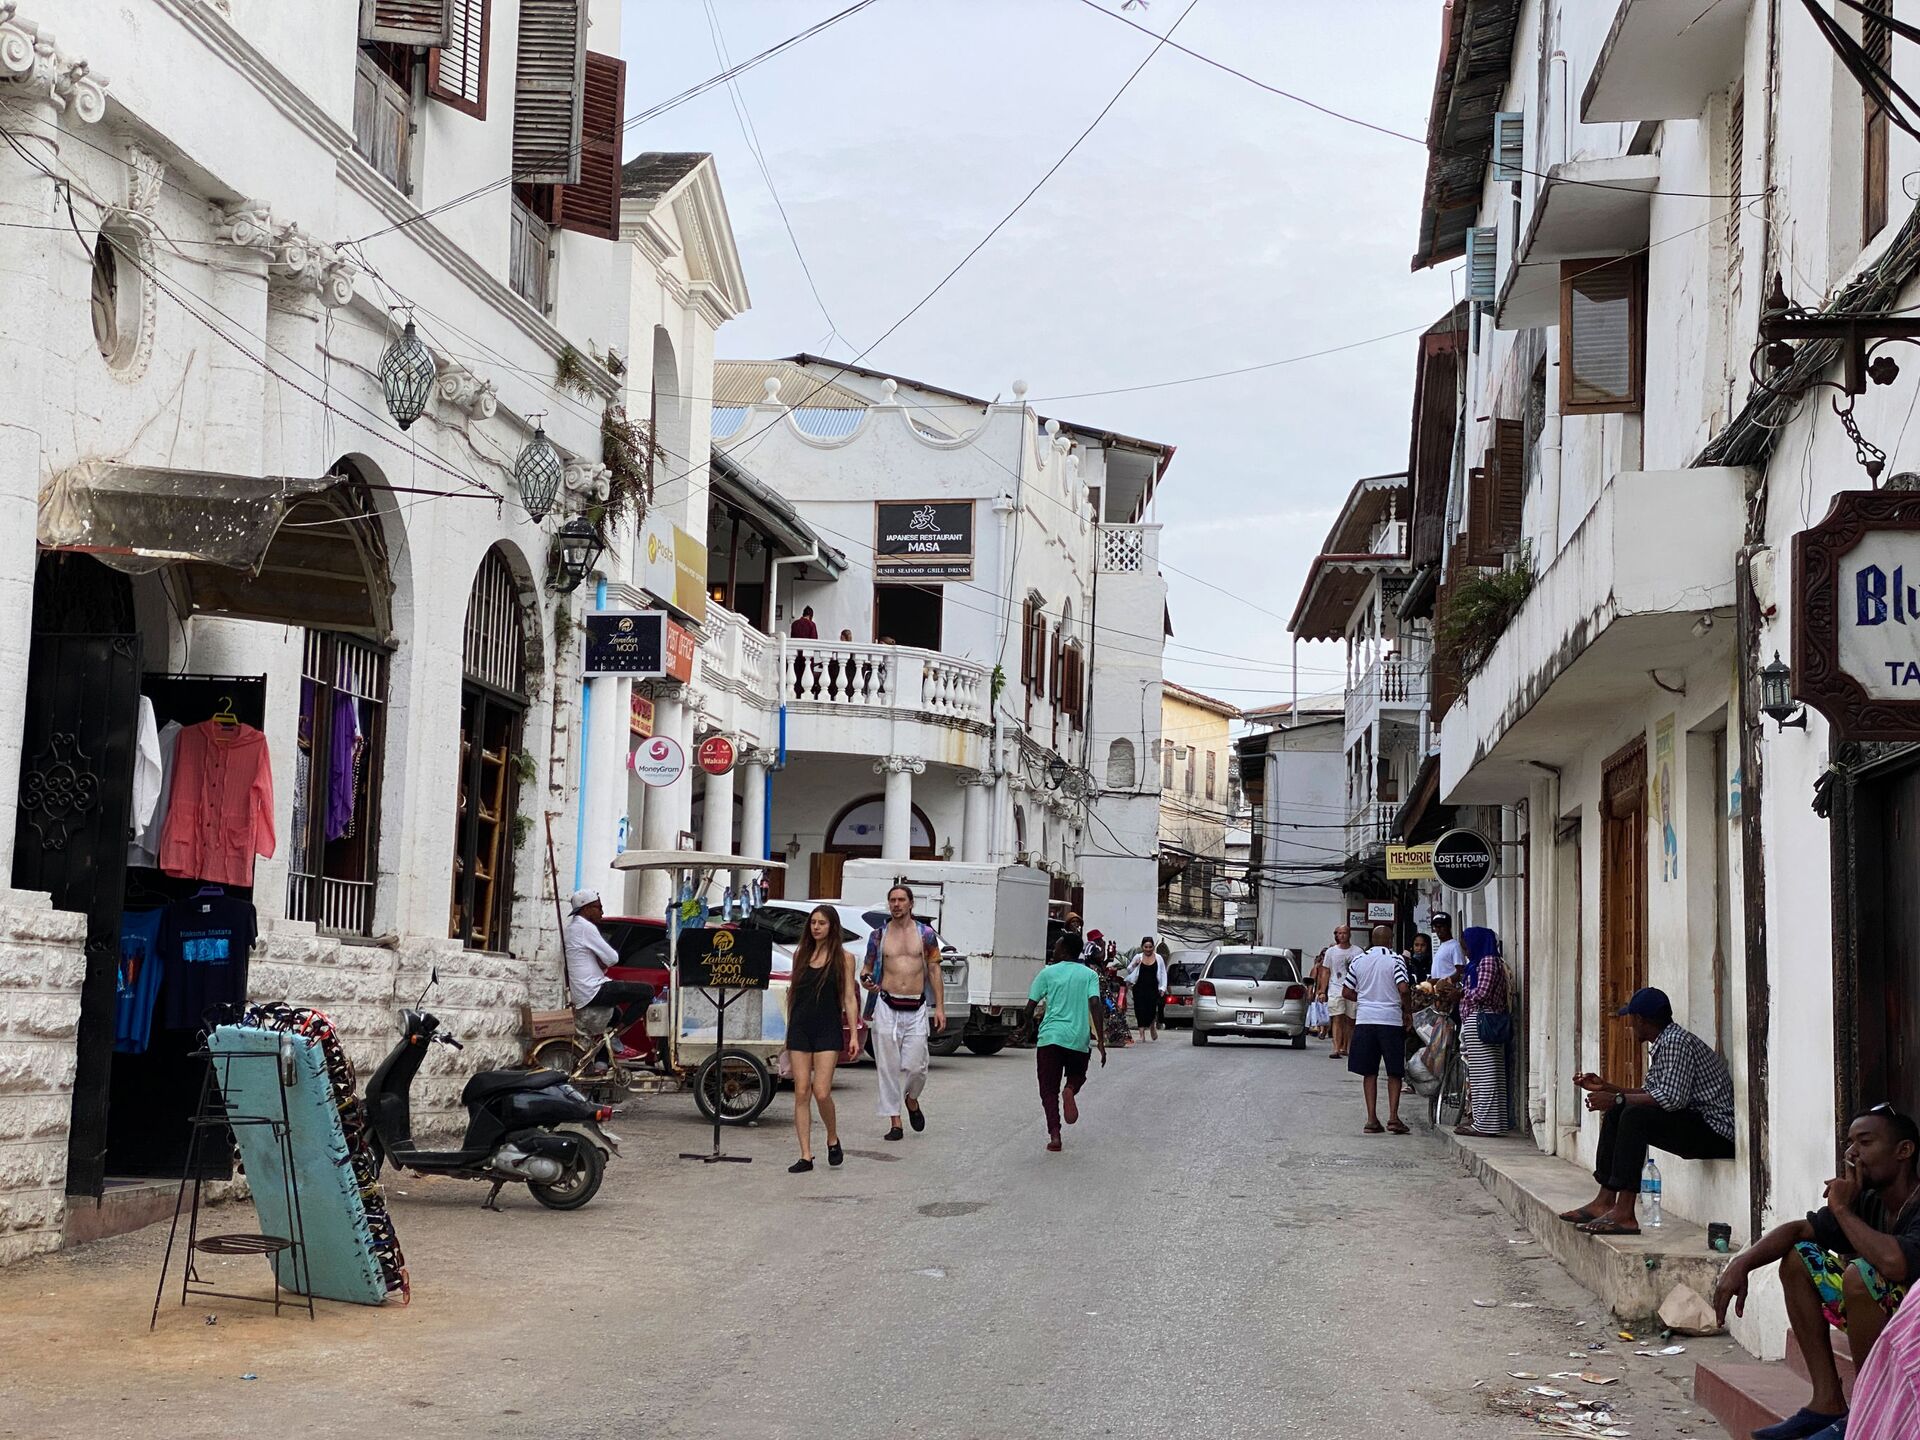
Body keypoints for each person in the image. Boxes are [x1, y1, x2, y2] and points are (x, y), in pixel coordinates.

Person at [1710, 1106, 1920, 1440]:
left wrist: (1842, 1209)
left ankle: (1869, 1408)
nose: (1852, 1154)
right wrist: (1741, 1264)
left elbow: (1895, 1263)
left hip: (1913, 1331)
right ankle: (1827, 1402)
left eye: (1865, 1142)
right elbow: (1798, 1231)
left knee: (1860, 1275)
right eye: (1850, 1143)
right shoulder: (1870, 1201)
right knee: (1800, 1257)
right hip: (1890, 1318)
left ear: (1904, 1150)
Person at [1559, 987, 1736, 1235]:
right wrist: (1608, 1088)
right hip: (1698, 1123)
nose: (1631, 1026)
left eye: (1632, 1020)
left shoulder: (1676, 1042)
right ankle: (1605, 1200)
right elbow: (1650, 1093)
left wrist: (1617, 1099)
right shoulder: (1666, 1041)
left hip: (1717, 1132)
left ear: (1640, 1019)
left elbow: (1672, 1100)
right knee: (1619, 1111)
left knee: (1633, 1116)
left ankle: (1625, 1213)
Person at [860, 885, 945, 1141]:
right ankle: (895, 1121)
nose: (896, 904)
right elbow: (867, 967)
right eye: (892, 900)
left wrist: (940, 1007)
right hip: (887, 1004)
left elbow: (934, 970)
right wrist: (865, 979)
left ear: (910, 903)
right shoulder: (878, 935)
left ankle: (912, 1099)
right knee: (887, 1067)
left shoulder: (925, 934)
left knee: (917, 1066)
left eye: (901, 900)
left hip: (916, 1006)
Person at [784, 905, 861, 1174]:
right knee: (801, 1091)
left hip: (828, 1028)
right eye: (813, 923)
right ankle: (806, 1155)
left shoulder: (844, 958)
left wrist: (854, 1033)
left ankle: (832, 1137)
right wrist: (788, 1031)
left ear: (832, 927)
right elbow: (794, 993)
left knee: (822, 1091)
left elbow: (849, 997)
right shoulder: (800, 955)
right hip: (800, 1028)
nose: (816, 927)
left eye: (822, 923)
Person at [1025, 935, 1108, 1152]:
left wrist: (1025, 1028)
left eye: (1056, 946)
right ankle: (1070, 1088)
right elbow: (1095, 1003)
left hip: (1050, 1038)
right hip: (1078, 1038)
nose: (1054, 950)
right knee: (1078, 1075)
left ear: (1064, 951)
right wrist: (1100, 1040)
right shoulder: (1089, 974)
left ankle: (1055, 1135)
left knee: (1048, 1090)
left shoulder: (1047, 972)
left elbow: (1030, 1006)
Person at [563, 890, 653, 1061]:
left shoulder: (572, 928)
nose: (602, 912)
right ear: (586, 908)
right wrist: (603, 962)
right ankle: (616, 1037)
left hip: (582, 991)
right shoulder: (586, 928)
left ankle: (601, 1064)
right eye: (598, 907)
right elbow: (612, 958)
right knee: (646, 992)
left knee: (615, 1014)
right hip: (593, 989)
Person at [1343, 924, 1411, 1134]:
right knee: (1394, 1072)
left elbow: (1346, 991)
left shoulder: (1358, 960)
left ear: (1372, 940)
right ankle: (1393, 1117)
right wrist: (1407, 1011)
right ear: (1391, 940)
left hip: (1365, 1020)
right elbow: (1403, 988)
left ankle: (1371, 1119)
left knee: (1369, 1071)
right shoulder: (1396, 959)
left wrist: (1365, 998)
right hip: (1390, 1021)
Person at [1454, 926, 1510, 1138]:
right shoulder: (1478, 964)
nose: (1466, 951)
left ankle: (1484, 1124)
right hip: (1479, 1020)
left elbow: (1482, 993)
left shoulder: (1487, 962)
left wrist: (1461, 994)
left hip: (1482, 1020)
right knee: (1485, 1074)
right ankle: (1490, 1122)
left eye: (1467, 946)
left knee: (1484, 1076)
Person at [1323, 924, 1364, 1060]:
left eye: (1344, 933)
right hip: (1335, 988)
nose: (1342, 936)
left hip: (1353, 989)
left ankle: (1348, 1047)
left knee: (1350, 1019)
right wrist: (1322, 990)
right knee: (1337, 1017)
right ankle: (1336, 1048)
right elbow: (1326, 971)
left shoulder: (1358, 952)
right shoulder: (1331, 952)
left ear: (1349, 934)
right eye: (1339, 933)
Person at [1124, 936, 1167, 1041]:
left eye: (1150, 947)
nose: (1148, 949)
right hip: (1139, 988)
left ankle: (1152, 1025)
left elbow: (1163, 973)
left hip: (1153, 988)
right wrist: (1135, 964)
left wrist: (1163, 988)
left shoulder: (1158, 958)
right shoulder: (1138, 957)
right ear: (1142, 947)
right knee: (1139, 1010)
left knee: (1151, 1010)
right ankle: (1142, 1034)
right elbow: (1129, 969)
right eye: (1146, 947)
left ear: (1153, 947)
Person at [1429, 912, 1462, 984]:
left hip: (1448, 988)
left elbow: (1460, 972)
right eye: (1436, 927)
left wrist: (1443, 982)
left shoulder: (1454, 946)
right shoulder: (1442, 946)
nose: (1438, 929)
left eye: (1441, 926)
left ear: (1448, 927)